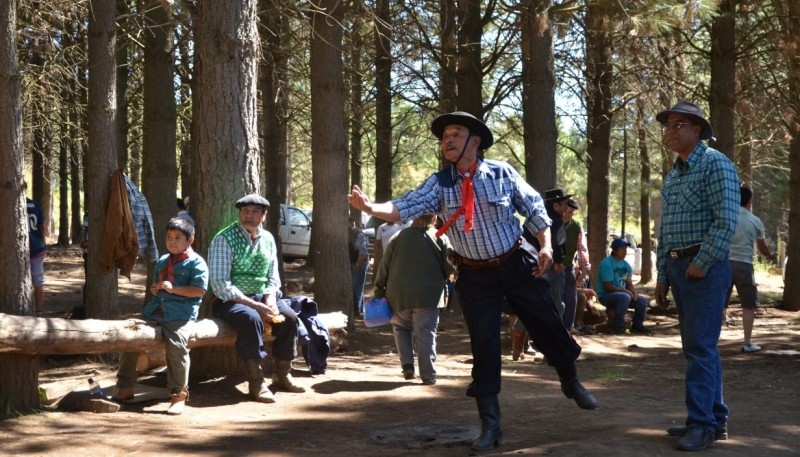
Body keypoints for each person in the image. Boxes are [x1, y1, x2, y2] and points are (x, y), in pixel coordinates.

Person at [349, 111, 597, 452]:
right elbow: (405, 205)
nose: (447, 140)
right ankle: (491, 425)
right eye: (444, 136)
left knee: (547, 322)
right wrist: (370, 207)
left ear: (474, 141)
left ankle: (570, 380)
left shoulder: (501, 173)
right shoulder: (441, 183)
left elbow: (535, 207)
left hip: (516, 265)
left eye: (455, 134)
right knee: (483, 346)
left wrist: (545, 246)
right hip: (475, 276)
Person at [654, 101, 740, 451]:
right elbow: (665, 230)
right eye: (668, 125)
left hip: (703, 269)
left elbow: (726, 220)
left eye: (678, 124)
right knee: (697, 348)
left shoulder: (716, 164)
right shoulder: (673, 175)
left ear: (697, 131)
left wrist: (702, 262)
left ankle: (702, 426)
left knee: (701, 349)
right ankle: (712, 420)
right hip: (678, 268)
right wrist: (662, 274)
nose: (670, 130)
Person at [208, 194, 305, 404]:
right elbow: (219, 284)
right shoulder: (224, 238)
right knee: (250, 318)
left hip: (263, 296)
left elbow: (273, 276)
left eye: (254, 212)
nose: (248, 216)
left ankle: (282, 374)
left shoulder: (268, 239)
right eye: (245, 211)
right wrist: (254, 304)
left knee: (289, 317)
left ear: (263, 215)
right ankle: (257, 381)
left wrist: (270, 301)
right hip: (231, 301)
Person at [113, 217, 208, 415]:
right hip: (156, 311)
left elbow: (199, 291)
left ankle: (178, 395)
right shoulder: (163, 261)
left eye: (178, 238)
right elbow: (158, 286)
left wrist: (174, 289)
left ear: (190, 240)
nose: (172, 242)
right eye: (168, 237)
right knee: (130, 335)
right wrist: (156, 289)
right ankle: (125, 387)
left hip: (181, 314)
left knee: (177, 345)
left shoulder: (197, 263)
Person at [373, 214, 455, 385]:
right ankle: (428, 374)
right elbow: (450, 267)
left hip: (398, 294)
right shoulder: (440, 237)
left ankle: (408, 366)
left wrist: (379, 289)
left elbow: (384, 265)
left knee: (400, 328)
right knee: (425, 333)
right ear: (434, 218)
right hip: (429, 295)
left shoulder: (399, 236)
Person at [726, 186, 775, 353]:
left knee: (719, 303)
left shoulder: (727, 218)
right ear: (749, 201)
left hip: (724, 263)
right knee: (748, 306)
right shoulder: (755, 221)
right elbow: (761, 247)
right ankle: (747, 342)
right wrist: (769, 256)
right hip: (745, 265)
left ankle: (712, 342)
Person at [596, 238, 651, 334]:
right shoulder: (606, 263)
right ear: (615, 250)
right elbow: (607, 286)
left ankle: (637, 326)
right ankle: (617, 326)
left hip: (623, 295)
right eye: (622, 248)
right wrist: (626, 292)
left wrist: (632, 291)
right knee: (625, 297)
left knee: (641, 300)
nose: (625, 251)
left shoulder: (627, 265)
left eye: (626, 248)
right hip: (606, 295)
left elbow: (629, 284)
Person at [562, 198, 591, 333]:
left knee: (571, 300)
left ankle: (567, 332)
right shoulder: (551, 224)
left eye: (571, 212)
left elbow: (582, 250)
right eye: (566, 211)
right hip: (549, 268)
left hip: (568, 268)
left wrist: (584, 273)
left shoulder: (576, 227)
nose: (567, 215)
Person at [25, 185, 47, 314]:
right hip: (37, 247)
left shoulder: (7, 203)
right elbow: (42, 227)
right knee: (38, 280)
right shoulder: (35, 206)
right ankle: (39, 310)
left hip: (19, 250)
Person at [349, 217, 369, 315]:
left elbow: (363, 253)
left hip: (360, 262)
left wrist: (357, 265)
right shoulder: (346, 234)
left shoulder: (359, 235)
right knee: (355, 286)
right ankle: (360, 309)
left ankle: (358, 309)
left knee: (357, 286)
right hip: (353, 261)